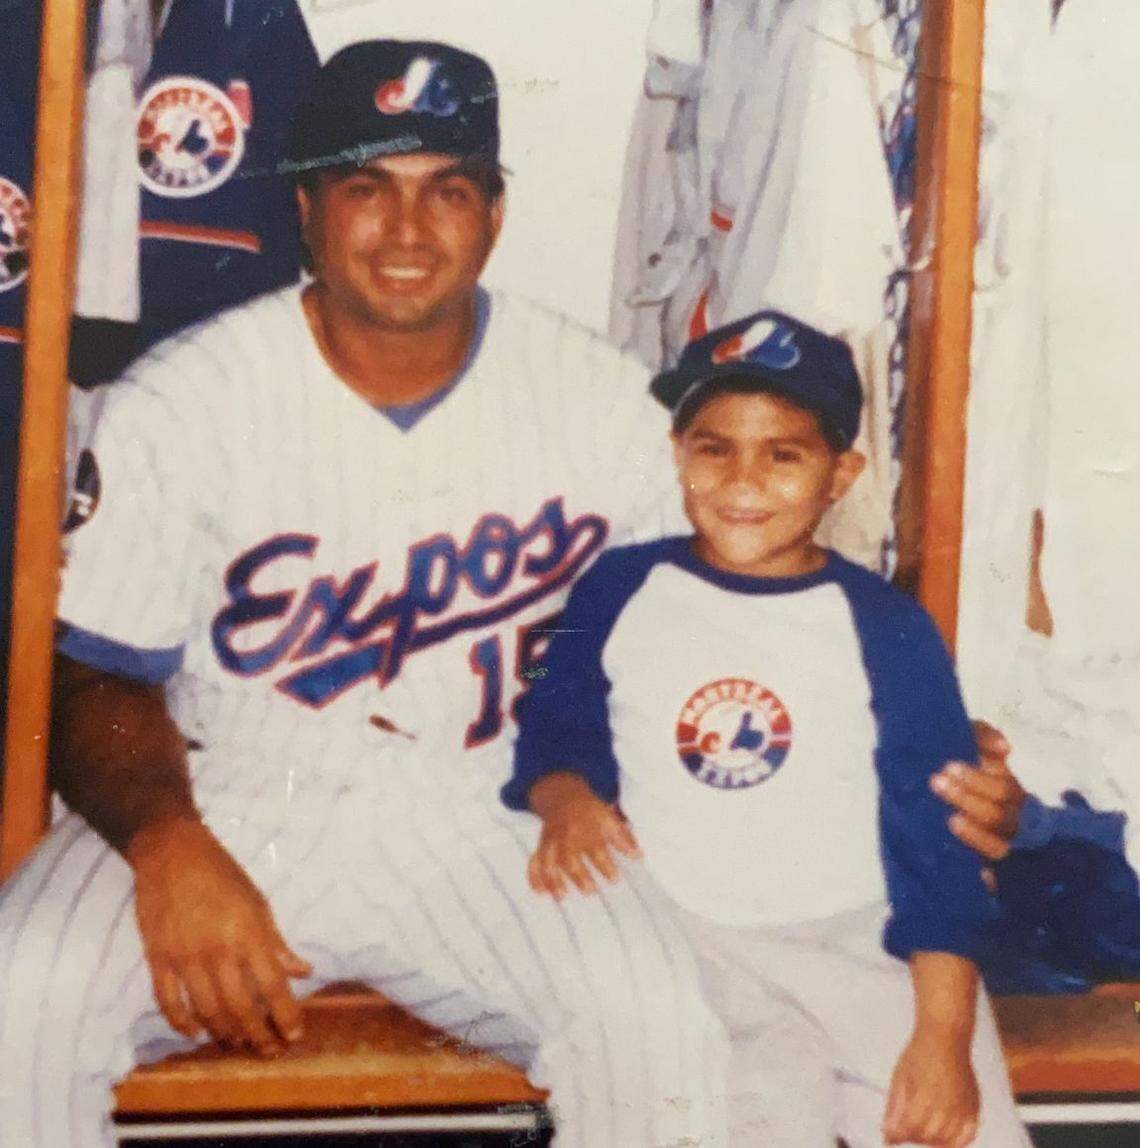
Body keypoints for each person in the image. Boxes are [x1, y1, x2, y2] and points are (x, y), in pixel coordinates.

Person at [0, 36, 1021, 1148]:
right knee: (16, 1007)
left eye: (447, 190)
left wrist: (932, 755)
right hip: (220, 796)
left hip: (493, 807)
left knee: (660, 1025)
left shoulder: (601, 402)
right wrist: (167, 846)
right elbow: (95, 665)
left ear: (494, 212)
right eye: (365, 189)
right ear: (307, 209)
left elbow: (764, 604)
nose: (405, 230)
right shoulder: (184, 398)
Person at [503, 311, 1031, 1147]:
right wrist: (564, 796)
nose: (743, 480)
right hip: (694, 951)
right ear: (679, 452)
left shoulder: (887, 627)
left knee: (955, 1128)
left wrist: (941, 1034)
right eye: (715, 448)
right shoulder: (617, 587)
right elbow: (553, 719)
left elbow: (940, 840)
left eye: (784, 454)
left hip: (868, 950)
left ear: (841, 472)